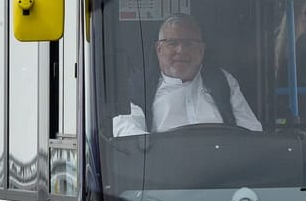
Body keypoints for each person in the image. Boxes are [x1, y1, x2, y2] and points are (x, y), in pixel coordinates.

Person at [112, 14, 261, 137]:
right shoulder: (139, 87)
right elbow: (126, 131)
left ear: (201, 50)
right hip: (164, 168)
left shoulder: (223, 81)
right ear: (159, 49)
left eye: (189, 44)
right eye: (172, 43)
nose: (181, 50)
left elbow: (252, 130)